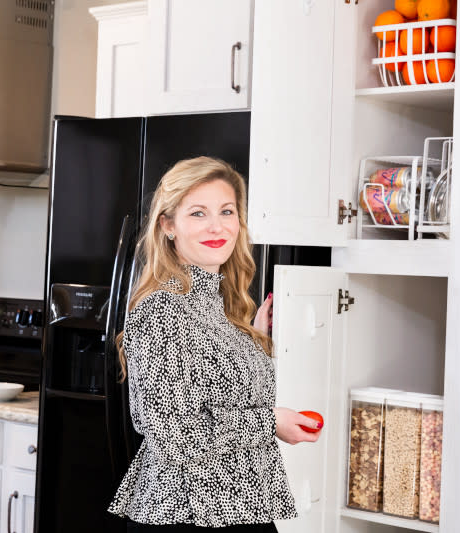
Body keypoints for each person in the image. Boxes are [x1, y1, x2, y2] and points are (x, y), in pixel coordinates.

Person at [108, 157, 320, 531]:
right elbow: (174, 429)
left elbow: (212, 388)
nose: (217, 226)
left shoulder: (220, 306)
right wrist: (271, 423)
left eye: (226, 211)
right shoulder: (161, 309)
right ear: (168, 225)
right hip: (187, 513)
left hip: (243, 505)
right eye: (198, 214)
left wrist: (250, 339)